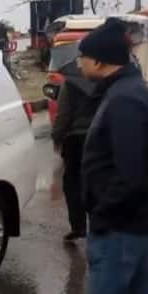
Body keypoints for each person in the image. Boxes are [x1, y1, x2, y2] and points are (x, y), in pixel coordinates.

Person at [78, 19, 148, 294]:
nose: (79, 63)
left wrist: (101, 215)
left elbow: (131, 174)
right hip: (135, 224)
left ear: (99, 62)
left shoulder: (124, 100)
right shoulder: (128, 90)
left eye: (82, 57)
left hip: (119, 228)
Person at [51, 64, 96, 242]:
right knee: (95, 182)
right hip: (97, 138)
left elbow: (63, 116)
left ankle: (78, 227)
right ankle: (97, 225)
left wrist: (56, 137)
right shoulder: (104, 83)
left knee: (72, 184)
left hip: (75, 141)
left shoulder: (70, 85)